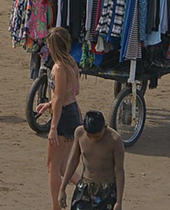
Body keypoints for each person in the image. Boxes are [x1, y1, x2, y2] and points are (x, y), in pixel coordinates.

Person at [42, 26, 82, 210]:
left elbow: (58, 99)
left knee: (53, 166)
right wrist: (48, 104)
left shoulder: (58, 67)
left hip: (63, 116)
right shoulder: (71, 63)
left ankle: (55, 206)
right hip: (73, 112)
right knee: (64, 168)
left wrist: (53, 127)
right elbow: (73, 91)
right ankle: (88, 189)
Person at [59, 110, 124, 210]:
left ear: (105, 127)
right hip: (85, 187)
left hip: (106, 190)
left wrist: (119, 202)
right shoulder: (79, 133)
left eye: (97, 136)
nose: (93, 140)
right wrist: (62, 189)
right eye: (89, 136)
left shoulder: (115, 140)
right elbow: (73, 160)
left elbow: (119, 170)